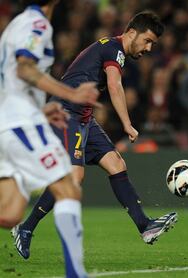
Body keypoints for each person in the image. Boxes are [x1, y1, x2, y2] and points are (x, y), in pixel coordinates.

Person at [12, 11, 177, 260]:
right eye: (147, 40)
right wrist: (127, 124)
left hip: (84, 117)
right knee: (74, 175)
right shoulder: (114, 50)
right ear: (132, 33)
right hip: (67, 113)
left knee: (116, 163)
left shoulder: (112, 49)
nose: (149, 48)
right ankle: (25, 228)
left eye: (153, 43)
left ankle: (145, 226)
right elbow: (114, 85)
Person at [0, 0, 100, 276]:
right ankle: (75, 273)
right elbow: (25, 69)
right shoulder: (37, 23)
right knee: (68, 187)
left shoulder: (15, 25)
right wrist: (72, 95)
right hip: (19, 124)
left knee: (9, 214)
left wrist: (41, 110)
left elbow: (11, 83)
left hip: (11, 123)